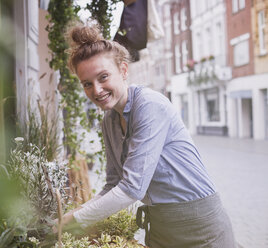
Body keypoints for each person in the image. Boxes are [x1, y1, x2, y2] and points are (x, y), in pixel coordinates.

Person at [56, 22, 236, 248]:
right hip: (160, 226)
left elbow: (131, 188)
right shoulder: (109, 119)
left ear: (123, 70)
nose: (96, 90)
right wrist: (67, 217)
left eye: (103, 77)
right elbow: (113, 184)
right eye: (87, 84)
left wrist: (72, 221)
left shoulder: (150, 105)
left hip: (200, 225)